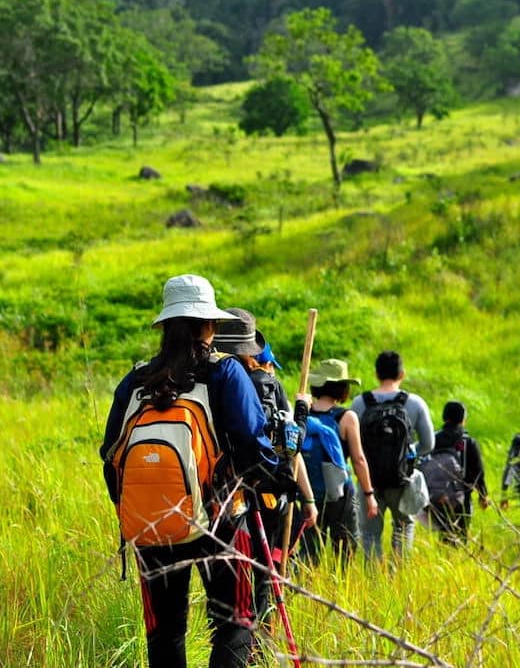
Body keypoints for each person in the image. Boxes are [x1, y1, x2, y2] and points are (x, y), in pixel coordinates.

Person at [99, 274, 272, 668]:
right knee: (234, 622)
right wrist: (271, 475)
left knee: (165, 631)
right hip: (221, 518)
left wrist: (131, 508)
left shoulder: (136, 379)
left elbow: (110, 454)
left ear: (164, 325)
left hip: (151, 521)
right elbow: (252, 442)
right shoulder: (225, 372)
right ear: (210, 325)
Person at [212, 308, 317, 622]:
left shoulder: (204, 377)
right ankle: (258, 641)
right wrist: (301, 412)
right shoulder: (267, 385)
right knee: (262, 571)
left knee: (225, 585)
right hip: (263, 491)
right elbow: (290, 444)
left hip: (214, 494)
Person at [350, 350, 434, 560]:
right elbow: (428, 444)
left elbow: (351, 445)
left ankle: (373, 582)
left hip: (369, 482)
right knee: (403, 527)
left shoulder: (360, 403)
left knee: (370, 533)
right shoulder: (414, 403)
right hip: (401, 480)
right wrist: (408, 454)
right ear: (402, 374)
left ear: (377, 374)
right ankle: (398, 578)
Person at [301, 359, 379, 563]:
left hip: (308, 491)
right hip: (340, 493)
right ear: (343, 387)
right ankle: (341, 588)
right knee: (345, 550)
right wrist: (369, 494)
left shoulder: (302, 414)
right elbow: (358, 459)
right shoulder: (347, 417)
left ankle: (307, 588)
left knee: (309, 551)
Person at [425, 401, 489, 544]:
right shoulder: (468, 441)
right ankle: (457, 558)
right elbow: (478, 470)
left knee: (444, 531)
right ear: (463, 419)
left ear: (444, 417)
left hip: (437, 494)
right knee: (461, 533)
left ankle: (445, 555)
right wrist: (483, 495)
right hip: (462, 495)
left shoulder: (433, 440)